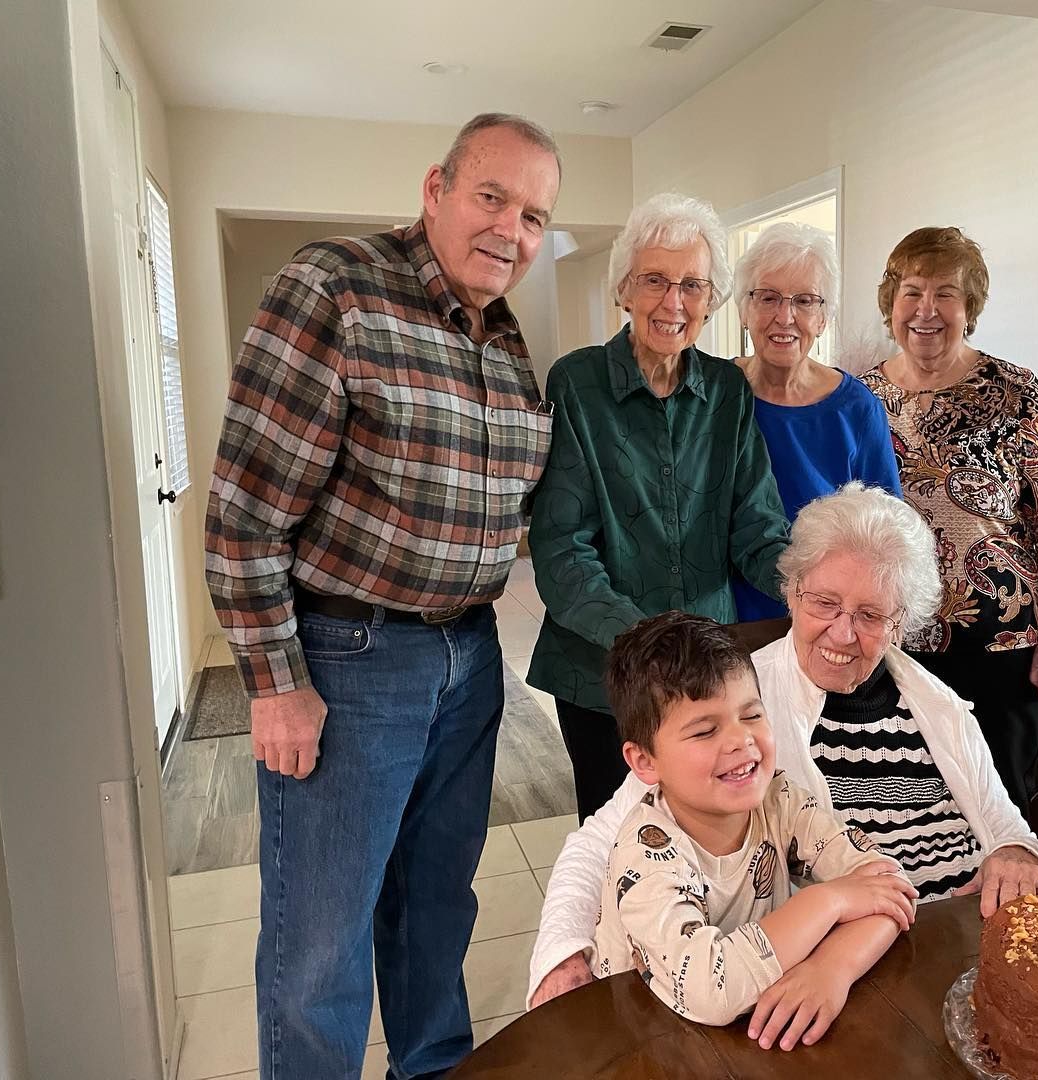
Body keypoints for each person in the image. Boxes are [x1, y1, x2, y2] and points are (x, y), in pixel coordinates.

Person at [205, 113, 562, 1078]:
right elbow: (243, 512)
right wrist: (276, 684)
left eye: (534, 216)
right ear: (435, 189)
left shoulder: (504, 338)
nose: (512, 230)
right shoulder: (337, 288)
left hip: (471, 657)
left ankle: (432, 1067)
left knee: (436, 907)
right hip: (350, 662)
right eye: (492, 197)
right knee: (321, 941)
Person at [530, 484, 1038, 1049]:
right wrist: (563, 955)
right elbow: (603, 842)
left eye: (871, 614)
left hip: (951, 944)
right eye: (825, 603)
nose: (843, 632)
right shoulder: (736, 700)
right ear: (792, 591)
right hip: (826, 990)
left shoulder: (937, 704)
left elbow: (1004, 827)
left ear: (901, 622)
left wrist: (1017, 851)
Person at [526, 192, 791, 823]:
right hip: (602, 676)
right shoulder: (577, 383)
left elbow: (756, 526)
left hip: (707, 677)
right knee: (616, 841)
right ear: (624, 288)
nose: (673, 302)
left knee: (713, 836)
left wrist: (810, 586)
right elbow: (562, 545)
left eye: (692, 285)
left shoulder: (727, 391)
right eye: (654, 280)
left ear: (711, 300)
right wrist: (646, 643)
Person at [592, 611, 917, 1035]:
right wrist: (830, 900)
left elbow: (890, 887)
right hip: (648, 1039)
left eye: (751, 716)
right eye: (704, 731)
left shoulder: (779, 800)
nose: (741, 740)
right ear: (645, 761)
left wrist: (832, 969)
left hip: (755, 1031)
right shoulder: (647, 855)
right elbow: (710, 991)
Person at [858, 226, 1038, 819]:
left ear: (970, 307)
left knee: (1002, 801)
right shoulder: (860, 398)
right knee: (901, 802)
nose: (926, 310)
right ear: (891, 302)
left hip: (999, 640)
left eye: (946, 294)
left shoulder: (1017, 392)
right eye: (912, 292)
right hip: (895, 638)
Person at [729, 222, 901, 621]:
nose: (785, 316)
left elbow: (886, 534)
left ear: (823, 318)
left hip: (824, 622)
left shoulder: (856, 409)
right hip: (723, 620)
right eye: (767, 297)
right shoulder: (714, 394)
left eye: (805, 301)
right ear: (744, 310)